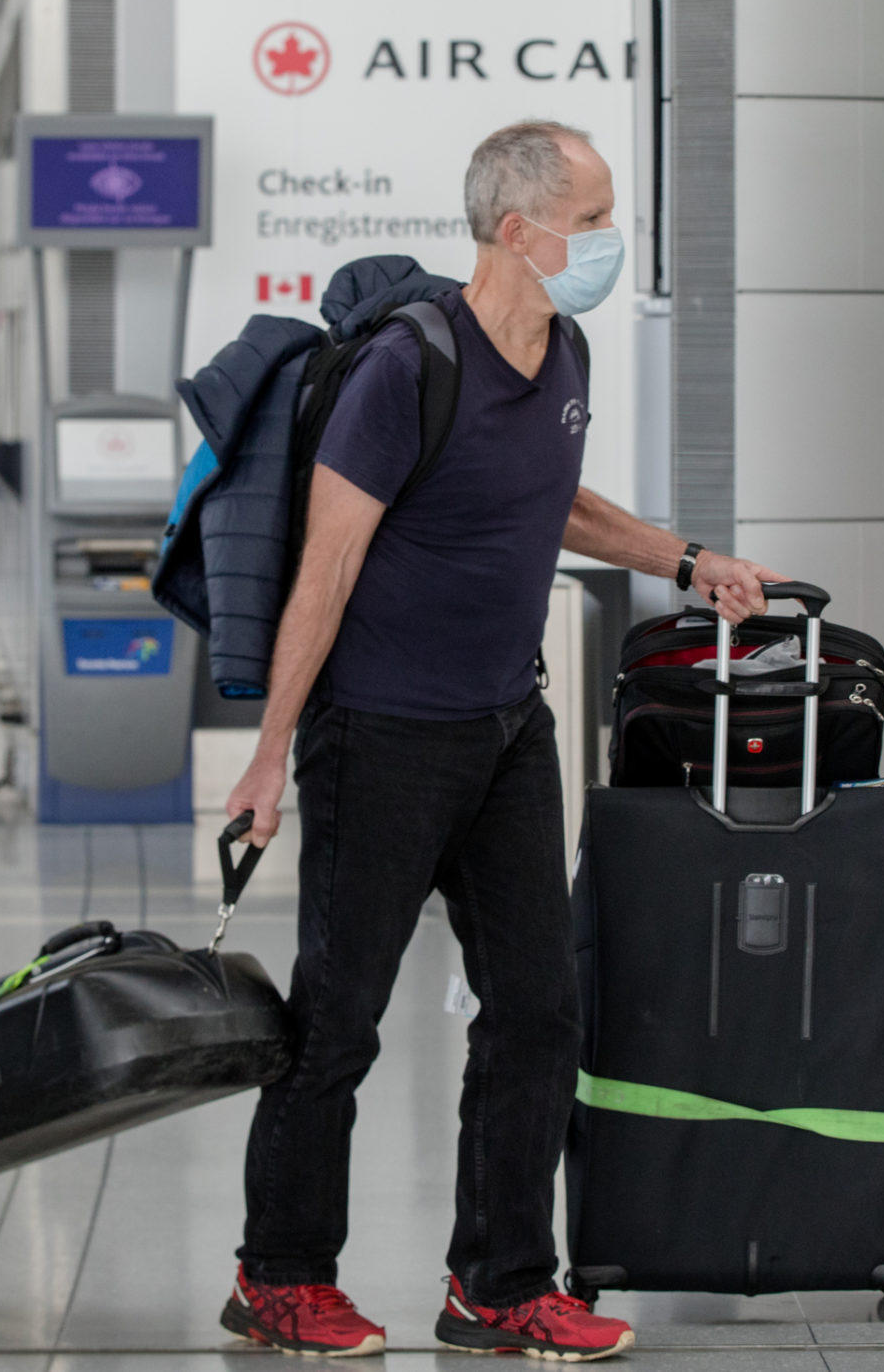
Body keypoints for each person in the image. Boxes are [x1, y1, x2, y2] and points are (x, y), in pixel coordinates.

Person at [219, 121, 785, 1361]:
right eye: (593, 216)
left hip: (504, 728)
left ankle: (500, 1283)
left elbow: (556, 494)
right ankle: (280, 1274)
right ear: (521, 231)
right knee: (340, 1020)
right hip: (379, 739)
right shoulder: (405, 371)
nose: (610, 239)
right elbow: (325, 568)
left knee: (536, 1009)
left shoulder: (564, 345)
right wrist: (269, 754)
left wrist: (688, 559)